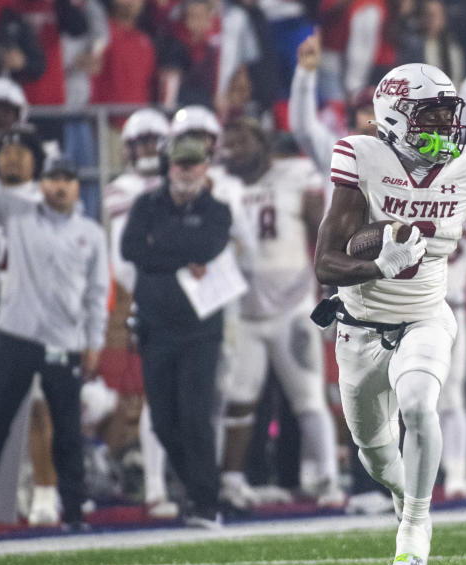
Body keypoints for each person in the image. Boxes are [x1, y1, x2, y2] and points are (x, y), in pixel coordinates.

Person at [312, 63, 466, 565]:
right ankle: (403, 495)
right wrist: (376, 265)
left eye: (448, 114)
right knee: (375, 456)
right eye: (430, 115)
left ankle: (416, 524)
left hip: (425, 315)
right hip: (360, 326)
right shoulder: (361, 155)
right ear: (393, 116)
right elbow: (326, 263)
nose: (444, 127)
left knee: (418, 402)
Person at [0, 155, 109, 533]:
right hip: (17, 336)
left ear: (76, 186)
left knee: (68, 431)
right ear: (41, 183)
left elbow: (97, 293)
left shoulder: (91, 233)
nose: (59, 186)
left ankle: (73, 511)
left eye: (67, 179)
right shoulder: (19, 216)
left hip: (65, 341)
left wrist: (94, 342)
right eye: (53, 178)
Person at [210, 116, 345, 509]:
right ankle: (232, 482)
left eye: (240, 142)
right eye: (227, 144)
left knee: (309, 398)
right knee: (238, 401)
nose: (232, 151)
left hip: (292, 307)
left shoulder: (296, 175)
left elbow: (325, 232)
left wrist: (331, 290)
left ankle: (328, 479)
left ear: (263, 144)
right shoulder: (220, 184)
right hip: (244, 312)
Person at [121, 136, 232, 529]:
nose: (185, 171)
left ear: (205, 168)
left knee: (195, 417)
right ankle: (200, 489)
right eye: (179, 164)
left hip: (200, 329)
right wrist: (186, 254)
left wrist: (162, 249)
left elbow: (208, 244)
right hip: (155, 327)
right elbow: (131, 249)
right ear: (168, 166)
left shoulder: (218, 210)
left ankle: (206, 501)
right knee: (163, 422)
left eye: (193, 164)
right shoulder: (146, 205)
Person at [102, 107, 177, 519]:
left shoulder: (178, 182)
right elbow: (126, 258)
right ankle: (150, 483)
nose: (149, 149)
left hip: (180, 300)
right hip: (139, 297)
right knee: (138, 399)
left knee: (189, 398)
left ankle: (181, 480)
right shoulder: (124, 188)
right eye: (141, 142)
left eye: (154, 141)